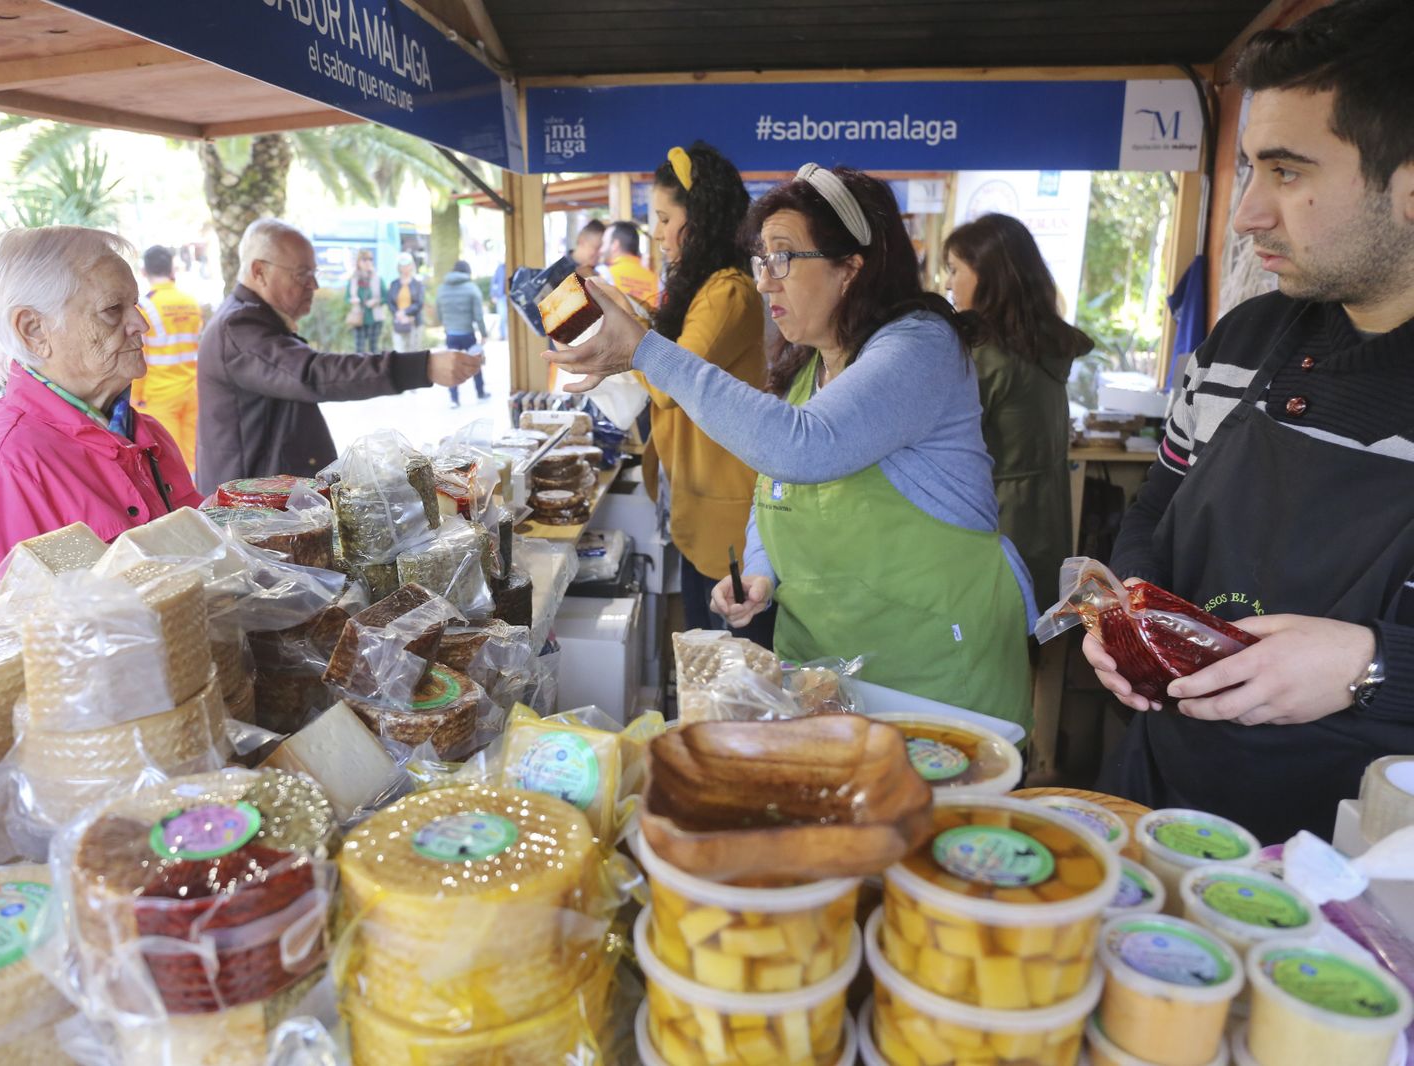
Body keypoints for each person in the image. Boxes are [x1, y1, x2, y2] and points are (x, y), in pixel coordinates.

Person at [1085, 0, 1414, 843]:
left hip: (1347, 865)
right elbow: (1157, 506)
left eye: (1288, 172)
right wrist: (1125, 614)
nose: (1247, 215)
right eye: (1249, 171)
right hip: (1159, 791)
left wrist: (1369, 666)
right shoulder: (1244, 342)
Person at [550, 165, 1036, 729]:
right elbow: (775, 491)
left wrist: (646, 351)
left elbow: (801, 448)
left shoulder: (920, 347)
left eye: (782, 257)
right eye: (761, 260)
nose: (764, 280)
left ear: (850, 269)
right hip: (829, 685)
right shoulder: (811, 366)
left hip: (935, 684)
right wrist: (761, 570)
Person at [0, 227, 202, 638]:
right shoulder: (3, 473)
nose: (141, 324)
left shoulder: (143, 432)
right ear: (34, 329)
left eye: (135, 304)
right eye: (112, 309)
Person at [196, 219, 483, 492]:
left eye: (314, 274)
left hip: (268, 502)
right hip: (250, 512)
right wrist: (424, 367)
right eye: (302, 275)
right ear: (259, 271)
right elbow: (312, 374)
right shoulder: (239, 328)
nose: (314, 286)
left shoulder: (253, 321)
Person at [637, 142, 772, 644]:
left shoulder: (728, 291)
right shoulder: (703, 287)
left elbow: (670, 380)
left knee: (729, 678)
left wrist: (626, 336)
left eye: (664, 217)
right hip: (703, 517)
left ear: (702, 218)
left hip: (728, 530)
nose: (657, 232)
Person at [944, 214, 1092, 607]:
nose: (947, 283)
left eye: (955, 269)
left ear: (989, 274)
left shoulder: (988, 358)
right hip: (1044, 522)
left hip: (996, 527)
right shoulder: (1044, 344)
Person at [133, 244, 203, 477]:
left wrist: (137, 398)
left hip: (160, 394)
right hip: (192, 390)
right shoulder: (191, 303)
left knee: (171, 462)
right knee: (192, 457)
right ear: (172, 268)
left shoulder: (145, 307)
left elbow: (138, 353)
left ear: (144, 271)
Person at [436, 260, 490, 407]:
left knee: (451, 364)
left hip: (451, 334)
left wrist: (447, 326)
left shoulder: (442, 289)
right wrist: (484, 333)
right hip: (467, 334)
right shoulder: (472, 289)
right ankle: (480, 393)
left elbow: (439, 313)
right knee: (475, 362)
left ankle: (454, 399)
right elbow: (478, 316)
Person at [602, 221, 659, 307]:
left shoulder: (604, 276)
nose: (601, 250)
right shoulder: (656, 280)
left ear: (615, 245)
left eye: (604, 243)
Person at [347, 248, 387, 351]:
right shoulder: (353, 279)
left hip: (375, 317)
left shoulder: (378, 278)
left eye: (370, 259)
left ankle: (373, 367)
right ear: (358, 262)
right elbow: (347, 297)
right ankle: (360, 367)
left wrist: (376, 301)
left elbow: (386, 297)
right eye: (364, 259)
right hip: (358, 318)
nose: (368, 262)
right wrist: (353, 300)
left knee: (374, 348)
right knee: (359, 348)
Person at [387, 252, 426, 354]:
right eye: (402, 266)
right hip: (399, 322)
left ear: (412, 266)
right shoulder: (394, 284)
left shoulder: (417, 283)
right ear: (399, 267)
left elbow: (419, 303)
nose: (405, 268)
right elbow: (390, 302)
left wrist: (405, 313)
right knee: (399, 351)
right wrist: (398, 314)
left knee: (414, 352)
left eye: (407, 265)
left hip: (414, 322)